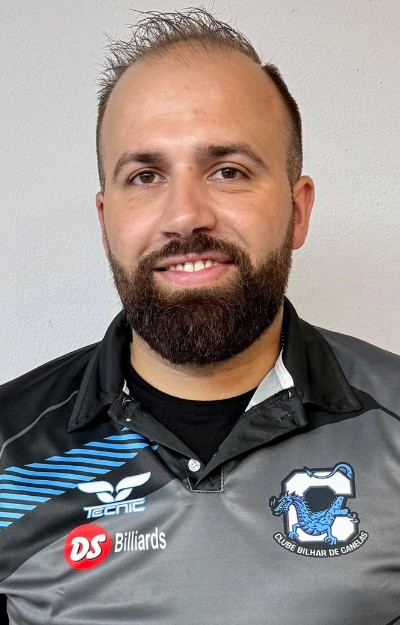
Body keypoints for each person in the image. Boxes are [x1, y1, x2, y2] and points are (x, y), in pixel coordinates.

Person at [0, 9, 398, 625]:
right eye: (145, 175)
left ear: (297, 212)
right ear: (106, 221)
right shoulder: (9, 450)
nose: (185, 215)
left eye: (228, 171)